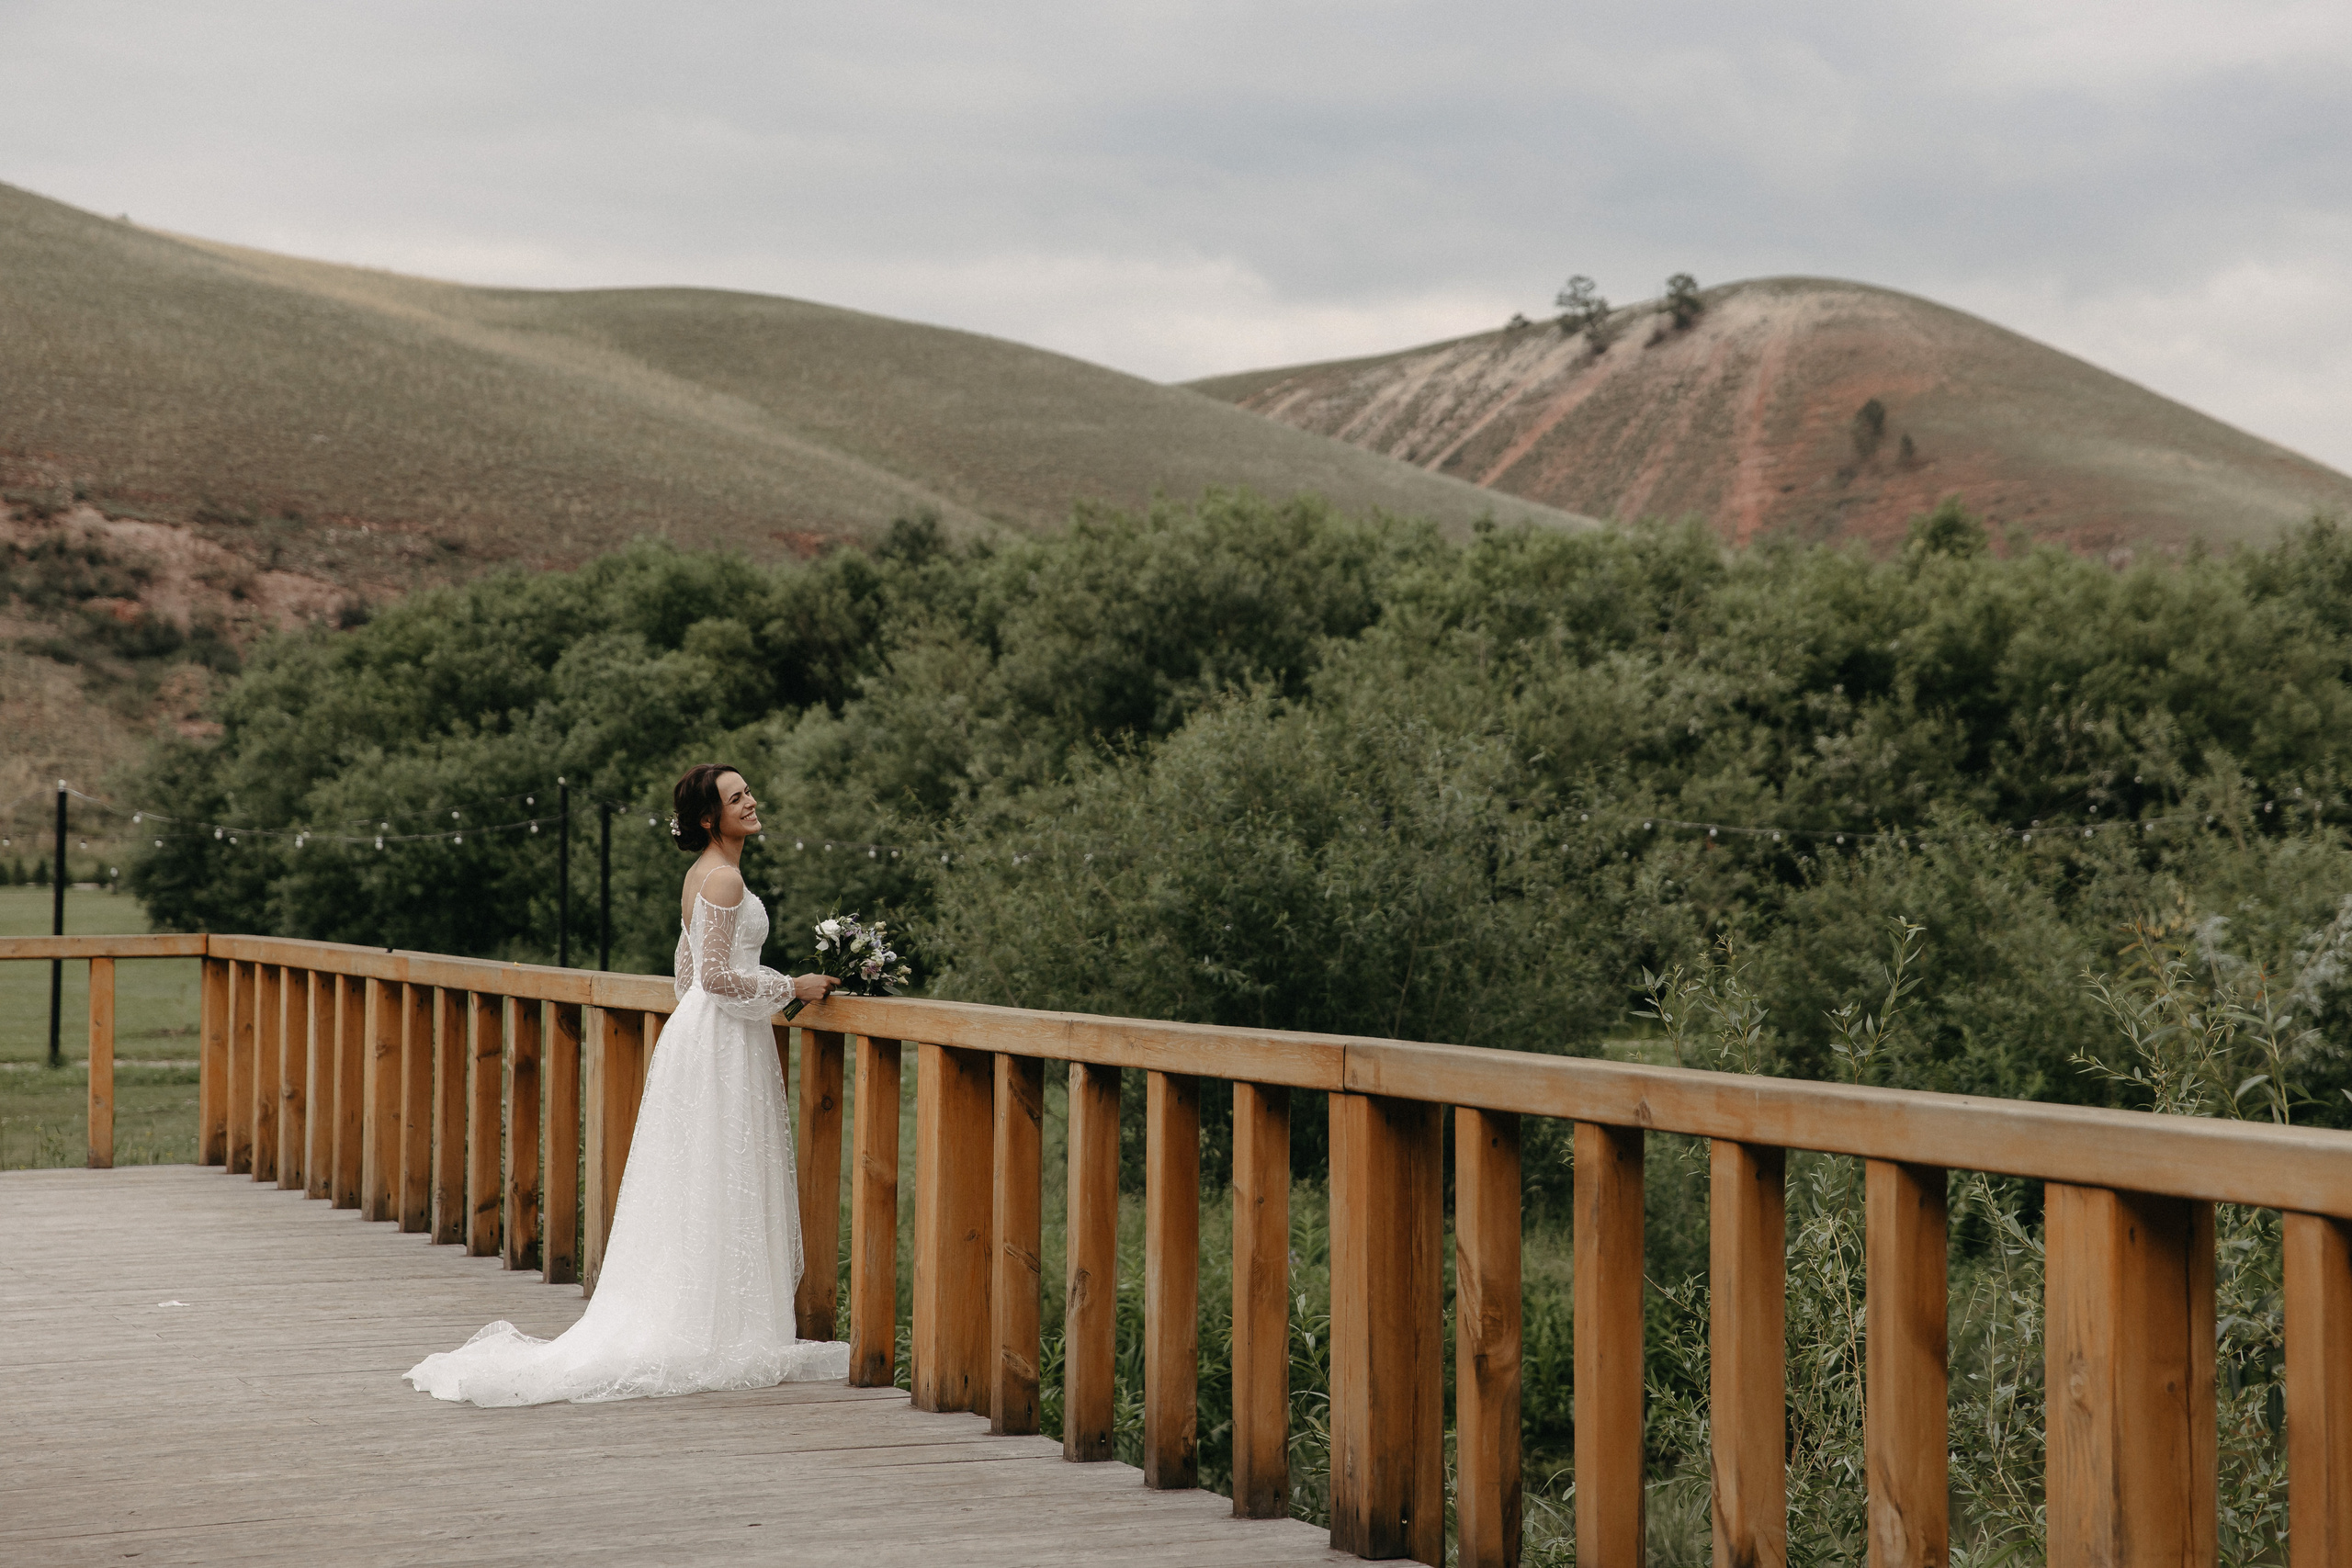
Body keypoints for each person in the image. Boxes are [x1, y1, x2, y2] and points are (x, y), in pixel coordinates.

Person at [404, 764, 850, 1405]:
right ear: (708, 819)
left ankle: (712, 1316)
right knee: (721, 1169)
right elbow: (719, 978)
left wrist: (716, 1018)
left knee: (705, 1173)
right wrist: (792, 988)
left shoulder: (698, 876)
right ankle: (724, 1326)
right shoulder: (722, 876)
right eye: (736, 797)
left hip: (702, 1034)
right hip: (722, 1036)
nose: (750, 801)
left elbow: (685, 974)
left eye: (747, 792)